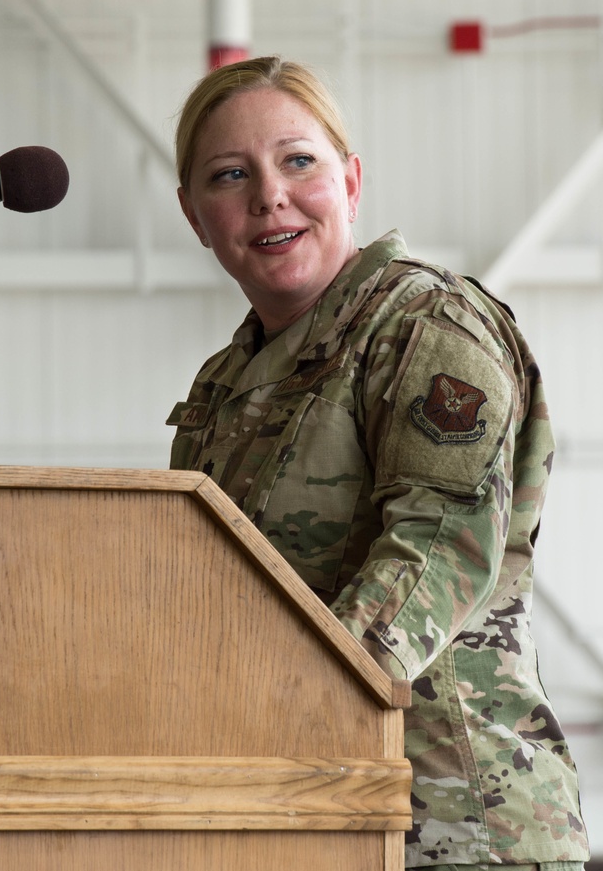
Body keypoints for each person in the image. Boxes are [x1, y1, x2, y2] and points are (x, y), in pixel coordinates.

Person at [167, 55, 589, 871]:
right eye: (230, 174)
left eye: (299, 160)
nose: (269, 196)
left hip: (453, 821)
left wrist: (279, 712)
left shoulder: (427, 325)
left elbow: (434, 553)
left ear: (350, 181)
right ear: (195, 216)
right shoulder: (222, 385)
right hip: (305, 817)